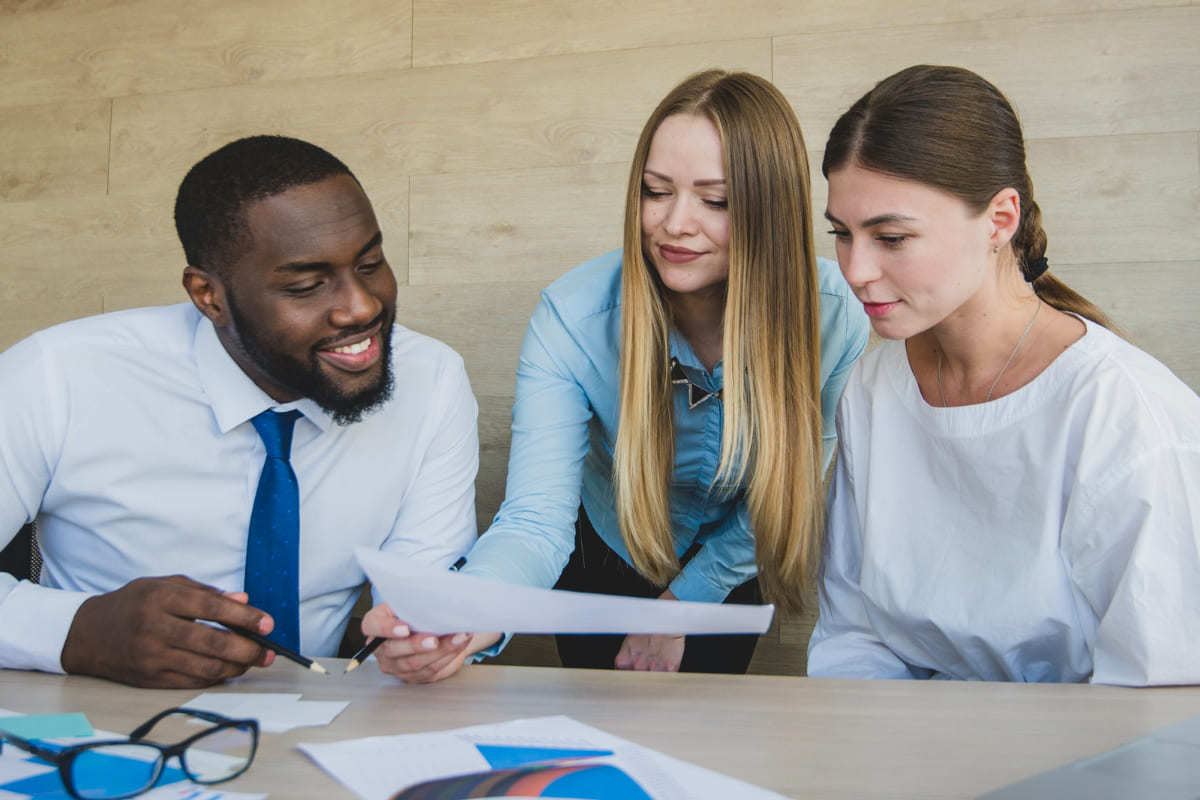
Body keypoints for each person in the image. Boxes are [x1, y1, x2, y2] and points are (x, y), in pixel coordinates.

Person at [365, 69, 869, 681]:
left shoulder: (837, 314)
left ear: (772, 210)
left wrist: (683, 606)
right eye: (656, 191)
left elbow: (784, 493)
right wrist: (460, 616)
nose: (674, 224)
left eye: (716, 201)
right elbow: (534, 519)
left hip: (733, 560)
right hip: (603, 554)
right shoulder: (571, 317)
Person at [0, 135, 479, 688]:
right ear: (209, 296)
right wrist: (77, 630)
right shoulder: (58, 373)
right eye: (306, 285)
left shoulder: (431, 378)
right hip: (93, 718)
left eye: (370, 263)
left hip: (316, 724)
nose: (362, 306)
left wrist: (421, 636)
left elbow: (423, 589)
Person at [806, 65, 1200, 685]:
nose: (855, 270)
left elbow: (1159, 695)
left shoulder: (1123, 413)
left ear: (999, 219)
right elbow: (853, 632)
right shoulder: (876, 385)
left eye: (891, 237)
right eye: (842, 234)